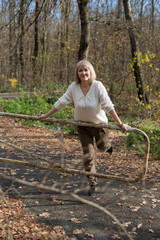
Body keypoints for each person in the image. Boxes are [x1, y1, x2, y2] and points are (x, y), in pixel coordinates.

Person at [37, 59, 129, 196]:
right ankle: (92, 183)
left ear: (91, 71)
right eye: (80, 70)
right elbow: (62, 101)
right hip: (82, 127)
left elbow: (108, 105)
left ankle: (108, 146)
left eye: (86, 70)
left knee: (102, 147)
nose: (83, 73)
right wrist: (46, 115)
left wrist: (120, 124)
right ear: (77, 73)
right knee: (88, 156)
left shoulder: (98, 86)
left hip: (100, 126)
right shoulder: (74, 86)